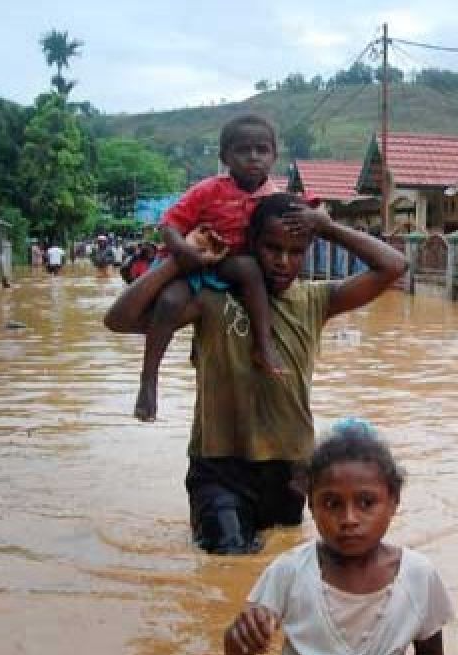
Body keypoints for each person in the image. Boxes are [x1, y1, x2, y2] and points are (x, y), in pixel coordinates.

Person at [103, 193, 407, 555]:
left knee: (281, 564)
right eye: (271, 248)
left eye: (295, 252)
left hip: (290, 470)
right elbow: (119, 319)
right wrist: (181, 260)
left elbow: (394, 265)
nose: (282, 262)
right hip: (220, 468)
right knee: (228, 561)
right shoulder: (212, 299)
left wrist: (327, 228)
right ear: (250, 245)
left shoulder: (315, 300)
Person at [223, 421, 454, 655]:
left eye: (366, 503)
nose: (348, 519)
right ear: (311, 506)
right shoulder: (289, 571)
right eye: (332, 503)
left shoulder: (418, 575)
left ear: (393, 502)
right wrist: (241, 637)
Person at [132, 113, 288, 422]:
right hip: (194, 263)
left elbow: (302, 213)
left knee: (248, 268)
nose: (253, 157)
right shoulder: (207, 190)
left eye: (262, 150)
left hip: (233, 267)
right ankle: (148, 379)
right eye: (243, 150)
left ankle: (263, 345)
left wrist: (316, 216)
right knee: (169, 302)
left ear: (274, 156)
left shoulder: (275, 198)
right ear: (225, 157)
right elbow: (170, 225)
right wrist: (183, 251)